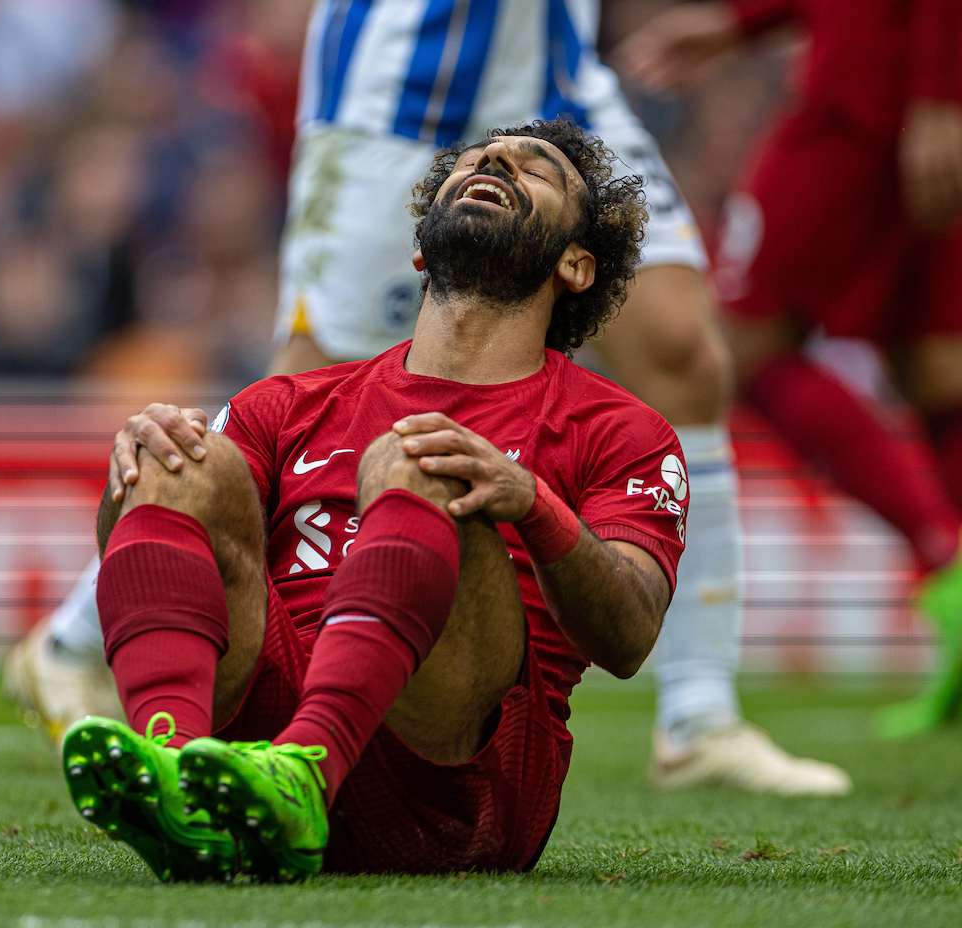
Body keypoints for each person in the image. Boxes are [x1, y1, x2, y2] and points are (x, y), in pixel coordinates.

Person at [10, 0, 850, 794]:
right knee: (313, 389)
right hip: (408, 62)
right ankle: (75, 642)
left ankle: (698, 714)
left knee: (681, 353)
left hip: (554, 61)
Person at [64, 120, 682, 882]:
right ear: (422, 251)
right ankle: (174, 773)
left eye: (535, 169)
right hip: (254, 747)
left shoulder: (622, 429)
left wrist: (530, 502)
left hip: (454, 788)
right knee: (178, 453)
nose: (492, 160)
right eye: (477, 160)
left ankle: (306, 774)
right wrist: (131, 470)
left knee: (418, 452)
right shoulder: (285, 404)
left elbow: (630, 636)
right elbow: (148, 559)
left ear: (577, 264)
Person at [620, 0, 962, 737]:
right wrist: (746, 21)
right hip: (901, 94)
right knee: (934, 368)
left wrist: (941, 94)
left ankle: (945, 559)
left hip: (866, 103)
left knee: (739, 348)